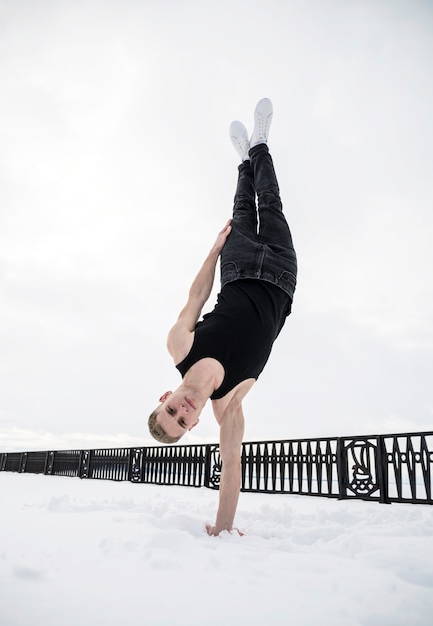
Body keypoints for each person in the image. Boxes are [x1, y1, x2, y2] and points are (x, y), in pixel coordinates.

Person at [148, 98, 297, 536]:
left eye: (171, 410)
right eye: (182, 422)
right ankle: (256, 151)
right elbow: (230, 465)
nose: (182, 411)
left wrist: (213, 251)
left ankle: (251, 153)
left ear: (165, 398)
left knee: (240, 210)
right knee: (270, 204)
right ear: (193, 425)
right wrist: (223, 527)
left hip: (237, 267)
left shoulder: (180, 346)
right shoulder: (228, 406)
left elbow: (195, 297)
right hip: (283, 277)